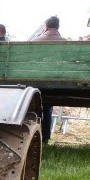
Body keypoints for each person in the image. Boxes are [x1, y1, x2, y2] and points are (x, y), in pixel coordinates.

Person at [32, 16, 66, 144]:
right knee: (48, 109)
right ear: (58, 27)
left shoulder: (36, 41)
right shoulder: (65, 42)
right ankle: (45, 138)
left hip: (36, 81)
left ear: (46, 26)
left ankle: (34, 136)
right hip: (54, 82)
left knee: (35, 109)